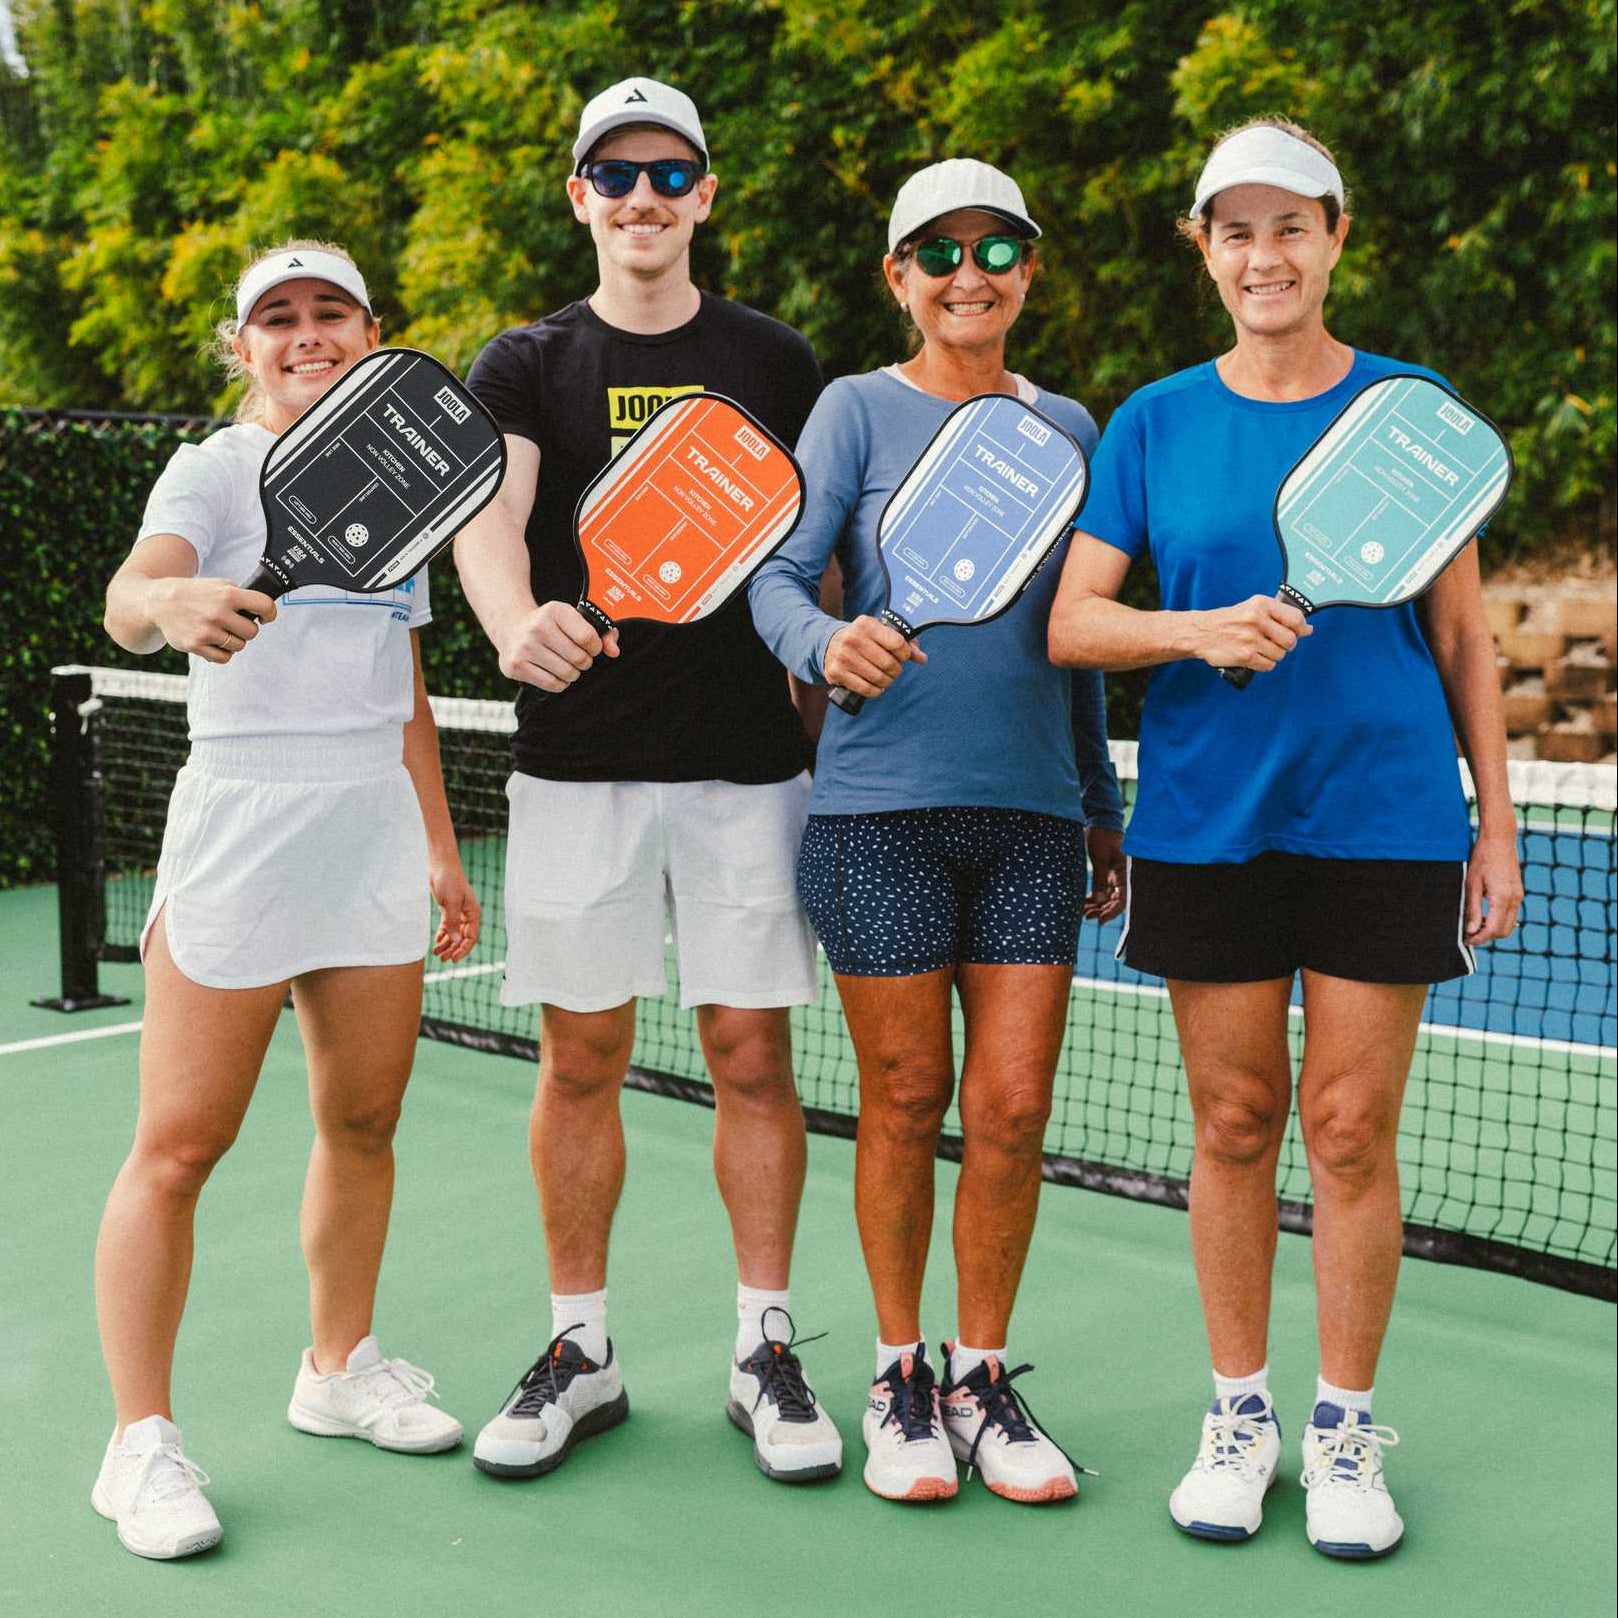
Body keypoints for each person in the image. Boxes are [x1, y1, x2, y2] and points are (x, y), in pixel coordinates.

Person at [1046, 119, 1524, 1558]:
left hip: (1382, 820)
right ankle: (1238, 1414)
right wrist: (1193, 628)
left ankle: (1342, 1429)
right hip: (1206, 826)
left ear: (1334, 237)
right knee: (1236, 1122)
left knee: (1348, 1131)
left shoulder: (1408, 411)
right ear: (1203, 249)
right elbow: (1073, 620)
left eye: (1290, 225)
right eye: (1234, 229)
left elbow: (1459, 633)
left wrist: (1491, 822)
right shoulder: (1150, 422)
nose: (1265, 254)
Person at [453, 77, 840, 1486]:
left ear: (705, 194)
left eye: (667, 173)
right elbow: (490, 524)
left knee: (751, 1055)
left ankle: (763, 1346)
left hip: (748, 766)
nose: (640, 198)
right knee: (580, 1059)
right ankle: (581, 1349)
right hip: (579, 765)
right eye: (612, 176)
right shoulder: (524, 360)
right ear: (578, 197)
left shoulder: (778, 358)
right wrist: (511, 624)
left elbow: (813, 557)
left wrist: (820, 713)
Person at [749, 159, 1127, 1505]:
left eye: (996, 248)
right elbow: (774, 575)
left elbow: (1074, 643)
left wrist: (1098, 805)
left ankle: (980, 1374)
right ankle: (898, 1371)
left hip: (1029, 821)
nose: (970, 273)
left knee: (1013, 1108)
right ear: (897, 277)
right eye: (939, 251)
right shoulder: (852, 409)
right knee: (906, 1101)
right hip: (878, 817)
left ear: (1027, 269)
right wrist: (822, 639)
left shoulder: (1067, 428)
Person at [94, 242, 481, 1560]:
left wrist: (437, 847)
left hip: (369, 817)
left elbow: (406, 679)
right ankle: (138, 1442)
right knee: (181, 1142)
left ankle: (337, 1365)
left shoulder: (409, 481)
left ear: (371, 332)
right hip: (245, 818)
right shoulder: (210, 470)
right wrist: (173, 597)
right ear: (241, 344)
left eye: (330, 312)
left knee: (362, 1115)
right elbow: (130, 595)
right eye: (278, 318)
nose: (305, 334)